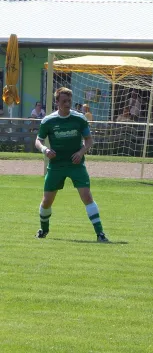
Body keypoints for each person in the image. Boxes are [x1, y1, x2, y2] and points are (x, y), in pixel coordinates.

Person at [34, 87, 109, 242]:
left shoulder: (80, 119)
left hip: (76, 165)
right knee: (47, 201)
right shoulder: (48, 121)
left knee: (87, 196)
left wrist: (80, 153)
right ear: (57, 102)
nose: (67, 104)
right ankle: (44, 230)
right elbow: (38, 141)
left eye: (69, 101)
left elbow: (89, 141)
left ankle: (100, 234)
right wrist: (45, 149)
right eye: (64, 101)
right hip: (56, 165)